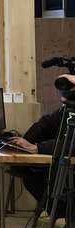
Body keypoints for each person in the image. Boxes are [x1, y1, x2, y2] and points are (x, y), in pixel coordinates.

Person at [7, 74, 75, 218]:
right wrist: (24, 141)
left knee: (40, 179)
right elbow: (46, 123)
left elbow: (71, 144)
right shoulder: (67, 110)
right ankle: (66, 219)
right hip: (63, 163)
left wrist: (37, 147)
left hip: (70, 166)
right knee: (30, 175)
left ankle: (67, 217)